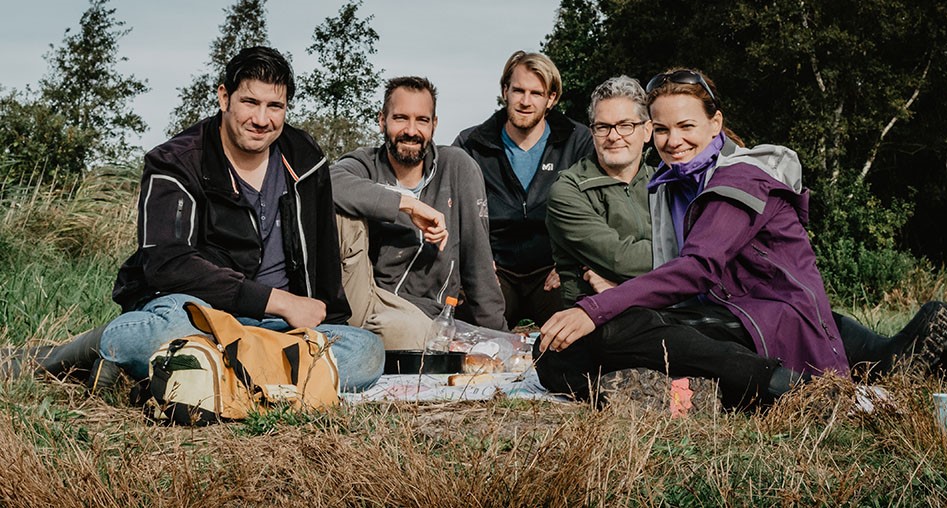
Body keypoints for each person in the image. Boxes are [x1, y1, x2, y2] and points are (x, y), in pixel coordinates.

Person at [544, 75, 947, 404]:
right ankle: (702, 389)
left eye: (687, 125)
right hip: (728, 313)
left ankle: (782, 386)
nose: (673, 141)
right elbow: (673, 269)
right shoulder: (670, 184)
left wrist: (600, 306)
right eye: (662, 129)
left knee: (613, 329)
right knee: (555, 357)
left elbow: (696, 267)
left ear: (716, 123)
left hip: (768, 319)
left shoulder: (741, 177)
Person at [96, 47, 384, 391]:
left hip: (275, 328)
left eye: (274, 106)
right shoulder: (176, 161)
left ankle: (208, 375)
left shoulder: (305, 158)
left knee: (366, 352)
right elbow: (168, 264)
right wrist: (277, 301)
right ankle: (250, 375)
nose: (261, 120)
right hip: (195, 313)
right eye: (250, 102)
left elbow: (322, 253)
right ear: (224, 97)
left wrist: (327, 324)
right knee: (160, 335)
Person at [331, 76, 507, 349]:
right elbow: (328, 183)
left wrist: (499, 338)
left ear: (434, 124)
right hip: (367, 299)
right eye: (400, 118)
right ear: (382, 120)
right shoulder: (363, 164)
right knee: (343, 211)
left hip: (427, 314)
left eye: (422, 120)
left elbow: (477, 257)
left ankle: (364, 346)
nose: (411, 130)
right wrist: (406, 204)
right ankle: (349, 336)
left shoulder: (457, 167)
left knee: (412, 335)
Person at [454, 51, 593, 328]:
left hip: (553, 270)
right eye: (518, 90)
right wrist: (473, 260)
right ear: (505, 91)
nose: (525, 102)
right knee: (470, 330)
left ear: (551, 99)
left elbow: (597, 207)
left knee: (580, 321)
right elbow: (448, 207)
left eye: (536, 93)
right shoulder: (471, 144)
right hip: (496, 270)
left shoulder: (577, 141)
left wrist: (573, 262)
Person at [546, 76, 655, 307]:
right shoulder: (568, 191)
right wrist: (686, 259)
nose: (614, 136)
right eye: (603, 127)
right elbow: (619, 260)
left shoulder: (667, 183)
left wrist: (624, 287)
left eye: (626, 125)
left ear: (647, 131)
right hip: (596, 314)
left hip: (669, 307)